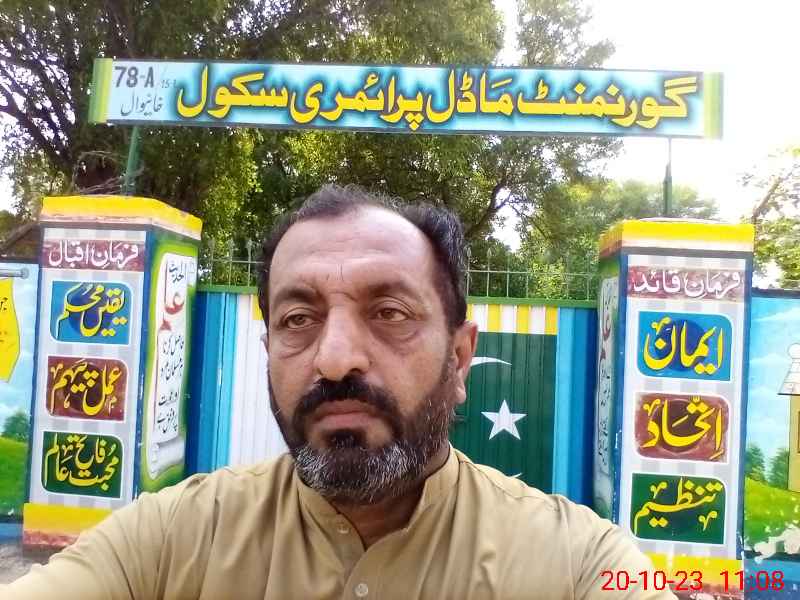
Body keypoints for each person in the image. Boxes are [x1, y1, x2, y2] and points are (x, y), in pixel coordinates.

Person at [3, 185, 675, 599]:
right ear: (269, 350)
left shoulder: (582, 563)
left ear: (460, 357)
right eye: (298, 318)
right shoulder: (170, 539)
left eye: (389, 312)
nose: (334, 358)